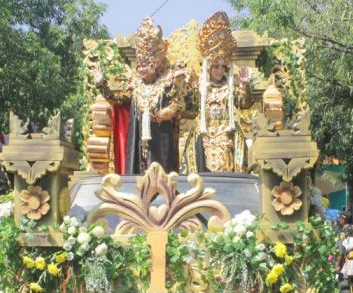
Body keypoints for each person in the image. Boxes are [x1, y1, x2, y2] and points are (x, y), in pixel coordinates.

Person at [93, 17, 193, 174]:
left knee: (162, 179)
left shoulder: (169, 81)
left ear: (155, 63)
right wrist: (102, 83)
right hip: (139, 145)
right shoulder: (135, 85)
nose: (140, 69)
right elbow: (117, 100)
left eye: (145, 65)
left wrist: (163, 114)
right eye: (139, 65)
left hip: (162, 142)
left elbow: (180, 105)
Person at [183, 11, 253, 173]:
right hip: (204, 135)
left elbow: (244, 103)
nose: (220, 71)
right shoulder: (199, 86)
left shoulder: (231, 85)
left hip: (227, 136)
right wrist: (186, 86)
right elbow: (190, 111)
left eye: (223, 67)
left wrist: (244, 85)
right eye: (216, 66)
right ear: (208, 66)